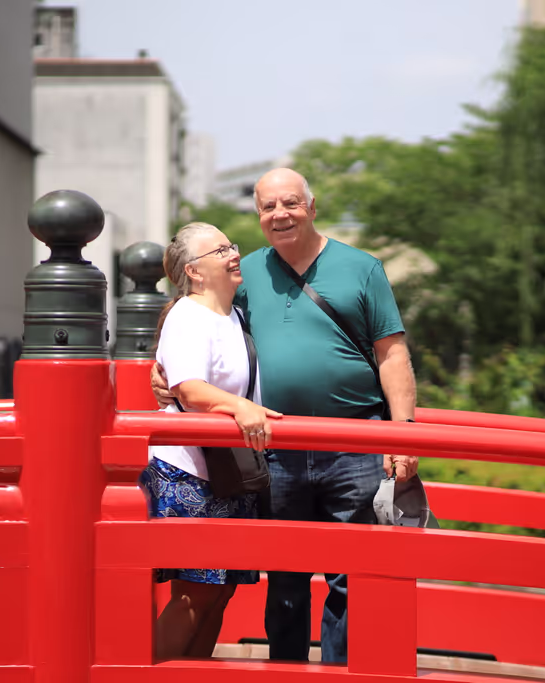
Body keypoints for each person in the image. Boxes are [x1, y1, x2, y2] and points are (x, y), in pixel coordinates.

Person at [153, 168, 418, 663]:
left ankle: (340, 673)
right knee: (285, 578)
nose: (280, 214)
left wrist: (404, 436)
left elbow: (393, 355)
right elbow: (194, 311)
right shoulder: (246, 272)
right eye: (268, 206)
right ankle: (286, 669)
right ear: (259, 214)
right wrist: (162, 369)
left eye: (291, 203)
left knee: (351, 577)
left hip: (354, 443)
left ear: (312, 207)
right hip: (274, 448)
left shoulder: (361, 268)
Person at [141, 221, 283, 660]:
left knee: (219, 592)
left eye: (230, 246)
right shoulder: (188, 315)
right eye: (219, 251)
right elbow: (189, 389)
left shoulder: (234, 315)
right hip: (189, 470)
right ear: (194, 271)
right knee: (194, 593)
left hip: (229, 469)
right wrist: (241, 407)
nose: (233, 254)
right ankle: (144, 674)